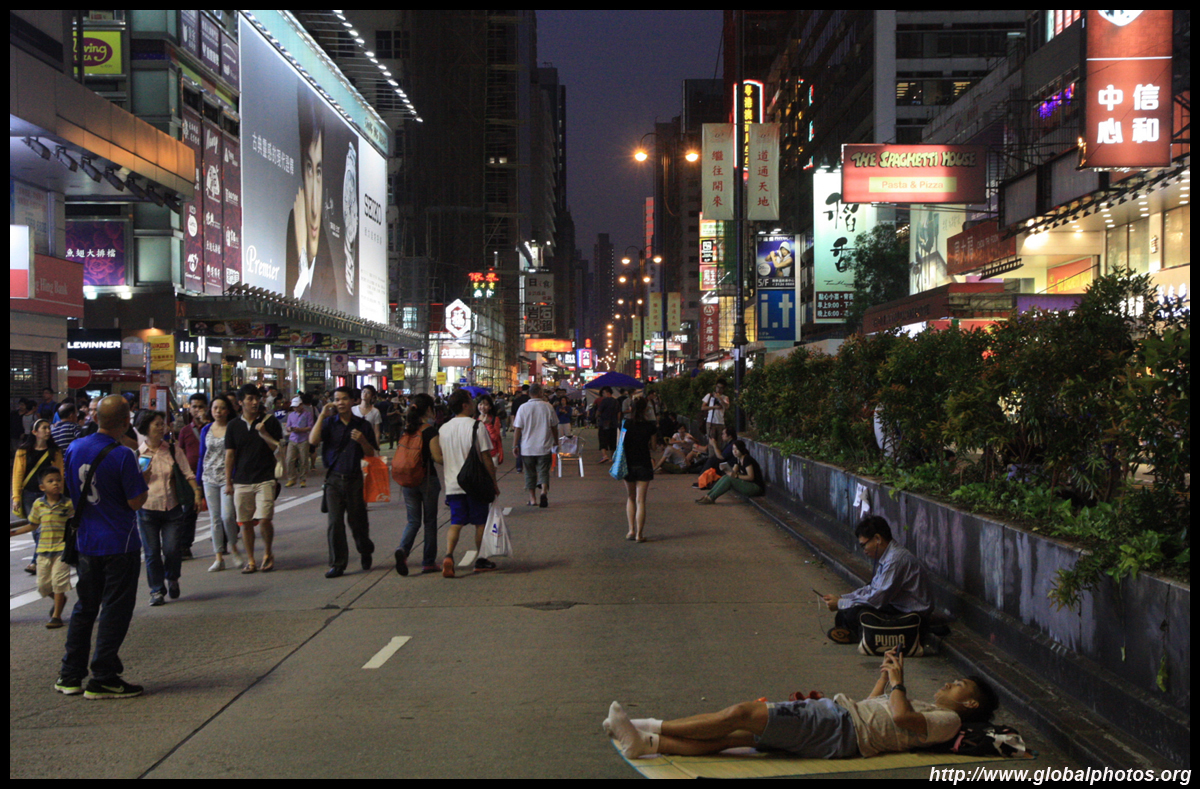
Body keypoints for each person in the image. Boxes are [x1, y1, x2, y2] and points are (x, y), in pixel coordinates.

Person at [602, 647, 998, 759]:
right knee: (733, 738)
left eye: (959, 685)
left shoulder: (949, 721)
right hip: (843, 725)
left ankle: (647, 727)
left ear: (970, 705)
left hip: (837, 726)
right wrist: (885, 676)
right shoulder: (933, 711)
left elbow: (899, 716)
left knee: (740, 714)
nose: (950, 683)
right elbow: (876, 708)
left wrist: (898, 683)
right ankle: (647, 743)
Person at [58, 394, 149, 699]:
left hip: (86, 542)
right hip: (119, 542)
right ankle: (104, 675)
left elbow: (71, 489)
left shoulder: (74, 448)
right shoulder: (123, 455)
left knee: (85, 608)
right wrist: (143, 478)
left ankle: (70, 674)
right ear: (125, 422)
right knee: (115, 609)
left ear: (96, 418)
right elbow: (135, 501)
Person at [821, 516, 932, 645]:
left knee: (855, 611)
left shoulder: (895, 560)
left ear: (878, 539)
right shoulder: (888, 556)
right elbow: (872, 588)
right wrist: (843, 598)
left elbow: (877, 598)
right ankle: (853, 632)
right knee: (847, 609)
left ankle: (856, 633)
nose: (864, 550)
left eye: (864, 545)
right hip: (896, 604)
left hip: (910, 613)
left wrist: (841, 603)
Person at [309, 385, 377, 579]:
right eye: (337, 399)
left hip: (355, 479)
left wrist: (363, 441)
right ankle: (338, 564)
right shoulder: (329, 423)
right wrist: (321, 416)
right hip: (333, 480)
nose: (340, 403)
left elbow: (371, 453)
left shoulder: (362, 425)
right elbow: (313, 441)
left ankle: (365, 549)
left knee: (358, 523)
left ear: (353, 401)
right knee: (335, 523)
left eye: (344, 399)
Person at [136, 411, 201, 606]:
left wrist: (196, 493)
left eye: (162, 424)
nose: (161, 427)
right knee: (152, 552)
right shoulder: (138, 454)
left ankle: (172, 577)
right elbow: (132, 486)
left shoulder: (172, 449)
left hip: (172, 508)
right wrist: (142, 478)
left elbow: (188, 473)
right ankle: (156, 590)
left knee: (172, 549)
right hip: (147, 509)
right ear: (146, 428)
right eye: (157, 424)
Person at [437, 389, 499, 577]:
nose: (473, 404)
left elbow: (442, 456)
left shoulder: (443, 428)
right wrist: (493, 482)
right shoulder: (476, 426)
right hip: (475, 484)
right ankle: (481, 559)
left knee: (456, 522)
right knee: (480, 523)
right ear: (465, 405)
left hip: (453, 484)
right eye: (471, 401)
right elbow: (486, 457)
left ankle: (448, 555)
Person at [225, 383, 283, 574]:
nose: (254, 402)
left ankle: (267, 553)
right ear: (240, 402)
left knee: (265, 518)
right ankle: (250, 560)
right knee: (245, 522)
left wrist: (264, 433)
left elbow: (277, 448)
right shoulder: (233, 425)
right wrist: (228, 481)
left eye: (257, 398)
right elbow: (230, 455)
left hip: (265, 477)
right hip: (241, 480)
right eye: (249, 399)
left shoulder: (270, 422)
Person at [10, 467, 74, 627]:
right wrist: (14, 532)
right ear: (42, 487)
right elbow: (33, 524)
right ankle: (60, 600)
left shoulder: (68, 504)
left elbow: (78, 522)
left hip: (62, 550)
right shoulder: (38, 504)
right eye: (50, 481)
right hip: (43, 550)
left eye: (58, 480)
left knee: (59, 582)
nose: (55, 484)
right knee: (43, 586)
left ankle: (56, 616)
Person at [395, 393, 443, 576]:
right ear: (429, 410)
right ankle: (428, 562)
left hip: (408, 480)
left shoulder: (406, 429)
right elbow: (437, 457)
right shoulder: (429, 431)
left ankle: (403, 549)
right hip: (427, 480)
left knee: (413, 520)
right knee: (430, 522)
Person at [197, 395, 243, 572]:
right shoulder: (206, 429)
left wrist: (233, 478)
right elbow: (202, 455)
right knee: (214, 519)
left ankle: (234, 548)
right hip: (209, 478)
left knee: (228, 516)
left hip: (227, 478)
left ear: (228, 410)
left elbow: (236, 454)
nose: (218, 411)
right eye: (215, 408)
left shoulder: (232, 428)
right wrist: (198, 482)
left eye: (222, 408)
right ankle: (218, 557)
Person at [13, 418, 63, 574]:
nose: (48, 431)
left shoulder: (54, 451)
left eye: (49, 428)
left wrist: (59, 493)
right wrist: (16, 497)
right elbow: (17, 475)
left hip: (47, 495)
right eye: (44, 428)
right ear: (35, 432)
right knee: (35, 528)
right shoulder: (23, 451)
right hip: (29, 494)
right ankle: (42, 559)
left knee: (42, 528)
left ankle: (36, 562)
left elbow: (60, 475)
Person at [512, 383, 559, 508]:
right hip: (544, 446)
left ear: (529, 393)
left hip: (527, 448)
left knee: (529, 473)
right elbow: (554, 427)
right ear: (540, 393)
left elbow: (517, 428)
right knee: (543, 471)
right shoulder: (548, 406)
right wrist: (556, 441)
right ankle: (543, 491)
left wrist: (515, 445)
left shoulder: (523, 408)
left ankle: (532, 499)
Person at [621, 395, 659, 542]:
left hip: (628, 464)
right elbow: (654, 447)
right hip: (644, 463)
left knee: (630, 498)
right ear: (646, 409)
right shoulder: (650, 426)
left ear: (631, 408)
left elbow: (620, 444)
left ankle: (631, 530)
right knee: (640, 500)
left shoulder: (625, 424)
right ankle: (639, 535)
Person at [176, 393, 209, 560]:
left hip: (212, 474)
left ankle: (224, 540)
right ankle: (184, 546)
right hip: (192, 477)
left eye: (201, 407)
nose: (197, 410)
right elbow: (180, 452)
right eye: (194, 407)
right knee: (189, 512)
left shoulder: (213, 427)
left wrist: (207, 425)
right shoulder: (185, 431)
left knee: (220, 511)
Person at [696, 440, 764, 504]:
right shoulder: (738, 459)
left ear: (741, 449)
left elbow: (751, 477)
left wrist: (737, 476)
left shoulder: (746, 459)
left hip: (755, 487)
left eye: (736, 449)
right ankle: (708, 496)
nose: (734, 451)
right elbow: (733, 473)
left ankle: (711, 498)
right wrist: (725, 469)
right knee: (726, 477)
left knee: (729, 479)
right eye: (733, 449)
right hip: (747, 483)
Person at [284, 395, 314, 487]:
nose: (295, 408)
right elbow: (287, 426)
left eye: (297, 406)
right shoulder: (291, 415)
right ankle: (291, 478)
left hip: (303, 439)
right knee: (289, 460)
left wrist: (300, 430)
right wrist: (290, 429)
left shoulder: (308, 414)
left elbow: (310, 426)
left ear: (301, 405)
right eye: (294, 407)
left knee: (303, 460)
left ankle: (302, 479)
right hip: (293, 439)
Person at [475, 394, 505, 467]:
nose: (482, 407)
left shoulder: (494, 419)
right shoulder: (474, 419)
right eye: (480, 404)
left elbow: (495, 437)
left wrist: (489, 424)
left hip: (492, 454)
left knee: (491, 474)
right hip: (477, 454)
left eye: (486, 405)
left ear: (490, 407)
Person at [595, 386, 620, 464]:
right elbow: (619, 412)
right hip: (614, 423)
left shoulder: (604, 401)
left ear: (608, 393)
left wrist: (596, 416)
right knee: (613, 440)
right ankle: (613, 457)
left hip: (604, 423)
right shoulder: (616, 401)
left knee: (603, 439)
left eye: (604, 393)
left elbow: (599, 411)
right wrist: (617, 421)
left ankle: (604, 455)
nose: (603, 394)